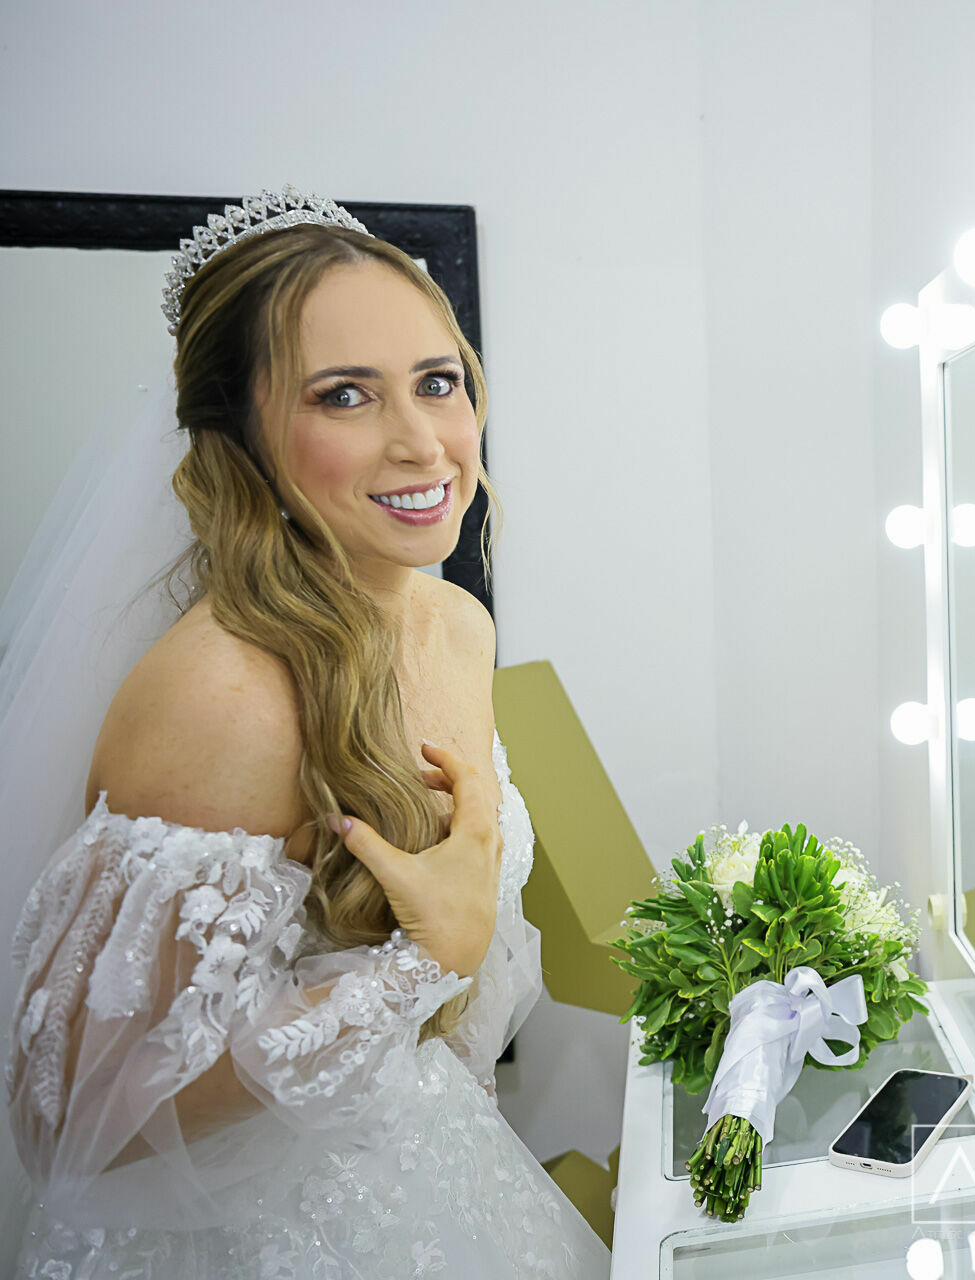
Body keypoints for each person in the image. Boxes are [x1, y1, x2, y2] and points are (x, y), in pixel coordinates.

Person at [5, 190, 609, 1277]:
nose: (423, 442)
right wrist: (423, 959)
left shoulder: (453, 622)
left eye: (438, 382)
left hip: (438, 1174)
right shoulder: (223, 695)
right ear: (238, 432)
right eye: (344, 396)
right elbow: (75, 1117)